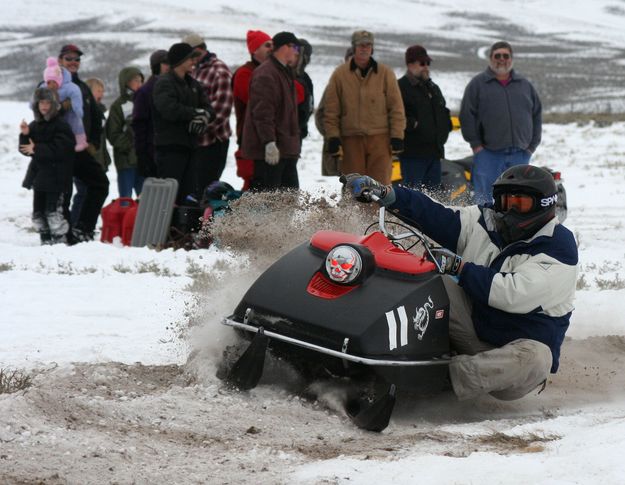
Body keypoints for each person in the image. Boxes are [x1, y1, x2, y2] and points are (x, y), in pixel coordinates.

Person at [342, 165, 577, 401]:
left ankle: (434, 378)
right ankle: (368, 344)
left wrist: (460, 268)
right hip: (472, 324)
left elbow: (514, 294)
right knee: (429, 279)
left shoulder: (559, 247)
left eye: (520, 203)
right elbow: (436, 216)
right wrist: (387, 195)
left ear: (543, 205)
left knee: (537, 358)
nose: (510, 210)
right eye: (505, 202)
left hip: (508, 357)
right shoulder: (484, 220)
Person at [460, 41, 542, 204]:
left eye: (506, 56)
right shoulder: (478, 84)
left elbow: (536, 115)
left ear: (511, 59)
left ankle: (515, 228)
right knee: (485, 200)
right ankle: (483, 228)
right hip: (488, 154)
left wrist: (532, 145)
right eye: (497, 56)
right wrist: (476, 145)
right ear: (490, 58)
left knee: (518, 197)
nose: (502, 59)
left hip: (520, 153)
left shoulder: (525, 85)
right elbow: (467, 115)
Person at [323, 30, 405, 185]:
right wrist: (333, 137)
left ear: (372, 48)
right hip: (351, 141)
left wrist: (397, 136)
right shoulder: (339, 75)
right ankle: (352, 211)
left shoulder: (386, 73)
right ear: (354, 47)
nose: (364, 48)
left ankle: (379, 211)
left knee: (380, 188)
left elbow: (396, 108)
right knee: (354, 189)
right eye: (360, 45)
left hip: (380, 140)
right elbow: (331, 111)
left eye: (368, 45)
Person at [58, 44, 110, 242]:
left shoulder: (82, 88)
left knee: (100, 184)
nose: (73, 62)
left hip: (80, 150)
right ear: (60, 60)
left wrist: (94, 142)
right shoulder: (51, 84)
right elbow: (41, 111)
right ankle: (63, 234)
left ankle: (83, 229)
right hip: (59, 149)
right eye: (69, 58)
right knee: (64, 193)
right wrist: (62, 106)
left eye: (76, 59)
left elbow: (97, 117)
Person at [152, 42, 215, 204]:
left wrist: (205, 116)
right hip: (170, 148)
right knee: (168, 195)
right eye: (190, 59)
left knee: (188, 194)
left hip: (191, 147)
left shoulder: (194, 84)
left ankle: (182, 228)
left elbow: (208, 108)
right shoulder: (164, 83)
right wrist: (195, 113)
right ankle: (166, 228)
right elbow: (168, 109)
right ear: (180, 61)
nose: (194, 62)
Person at [241, 31, 301, 190]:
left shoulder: (283, 71)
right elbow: (262, 113)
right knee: (269, 203)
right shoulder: (266, 74)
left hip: (285, 150)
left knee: (288, 201)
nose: (296, 51)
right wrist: (269, 142)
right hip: (270, 153)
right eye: (294, 46)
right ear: (283, 47)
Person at [19, 88, 75, 244]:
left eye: (47, 102)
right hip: (40, 177)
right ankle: (45, 239)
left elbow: (62, 149)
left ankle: (61, 241)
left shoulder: (61, 125)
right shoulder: (35, 125)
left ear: (53, 104)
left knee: (53, 213)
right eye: (41, 102)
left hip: (57, 178)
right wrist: (25, 135)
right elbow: (26, 149)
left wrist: (36, 149)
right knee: (38, 214)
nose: (44, 106)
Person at [183, 33, 233, 193]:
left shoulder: (219, 70)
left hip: (212, 142)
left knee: (207, 190)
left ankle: (206, 218)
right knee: (193, 190)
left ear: (199, 50)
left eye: (189, 54)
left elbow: (222, 109)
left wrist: (200, 127)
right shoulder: (191, 71)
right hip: (193, 143)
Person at [398, 45, 452, 189]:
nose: (426, 67)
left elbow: (443, 111)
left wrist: (446, 126)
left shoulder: (433, 88)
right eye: (422, 63)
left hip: (434, 154)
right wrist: (412, 124)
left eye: (427, 63)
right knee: (412, 197)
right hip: (413, 156)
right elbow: (395, 116)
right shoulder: (400, 87)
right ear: (410, 64)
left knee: (434, 200)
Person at [232, 30, 273, 190]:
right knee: (254, 188)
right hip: (251, 141)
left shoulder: (273, 72)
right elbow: (258, 100)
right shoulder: (244, 74)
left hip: (269, 139)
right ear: (254, 50)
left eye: (273, 45)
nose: (272, 48)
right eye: (267, 45)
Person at [106, 66, 145, 198]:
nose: (139, 84)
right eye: (136, 80)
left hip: (143, 161)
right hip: (126, 161)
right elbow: (113, 134)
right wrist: (129, 147)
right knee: (125, 200)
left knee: (145, 200)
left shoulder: (146, 102)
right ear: (126, 82)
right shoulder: (118, 106)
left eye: (141, 80)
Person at [132, 49, 170, 179]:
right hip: (151, 151)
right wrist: (141, 154)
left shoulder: (173, 87)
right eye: (165, 62)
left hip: (169, 150)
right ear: (156, 66)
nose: (169, 66)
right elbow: (139, 124)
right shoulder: (145, 91)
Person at [315, 47, 353, 177]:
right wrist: (332, 137)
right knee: (350, 183)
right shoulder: (336, 84)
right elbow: (321, 115)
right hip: (344, 146)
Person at [42, 57, 88, 151]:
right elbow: (37, 98)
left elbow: (76, 94)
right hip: (52, 117)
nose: (51, 85)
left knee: (75, 122)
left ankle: (81, 141)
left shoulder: (69, 87)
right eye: (49, 82)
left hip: (69, 114)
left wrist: (77, 108)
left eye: (54, 81)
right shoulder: (43, 88)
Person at [85, 78, 112, 172]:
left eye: (102, 91)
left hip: (102, 157)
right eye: (98, 91)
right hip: (90, 158)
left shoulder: (102, 109)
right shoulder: (85, 110)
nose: (101, 94)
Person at [293, 38, 314, 141]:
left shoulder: (305, 79)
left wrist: (303, 125)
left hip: (295, 136)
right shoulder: (281, 76)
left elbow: (309, 106)